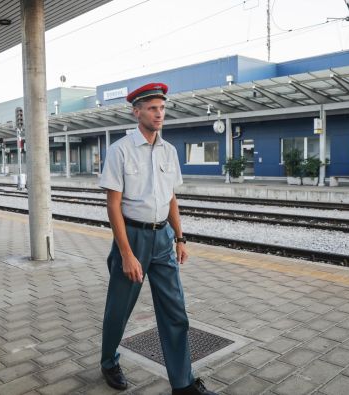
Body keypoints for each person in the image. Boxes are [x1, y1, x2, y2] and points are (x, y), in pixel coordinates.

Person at [99, 82, 217, 395]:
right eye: (152, 108)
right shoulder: (119, 150)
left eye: (162, 108)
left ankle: (183, 383)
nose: (159, 113)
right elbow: (113, 205)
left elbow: (171, 198)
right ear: (136, 111)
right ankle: (109, 361)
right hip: (132, 238)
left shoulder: (169, 150)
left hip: (163, 238)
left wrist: (180, 237)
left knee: (175, 312)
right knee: (118, 310)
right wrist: (126, 254)